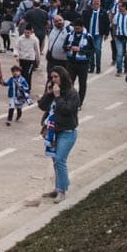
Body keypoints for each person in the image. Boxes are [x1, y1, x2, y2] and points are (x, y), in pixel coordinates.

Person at [39, 66, 80, 203]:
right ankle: (58, 187)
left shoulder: (72, 93)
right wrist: (49, 93)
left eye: (56, 77)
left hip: (67, 132)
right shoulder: (54, 92)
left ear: (63, 77)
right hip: (53, 132)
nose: (54, 80)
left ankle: (62, 191)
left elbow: (67, 110)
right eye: (52, 77)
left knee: (60, 159)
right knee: (54, 160)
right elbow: (42, 106)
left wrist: (57, 97)